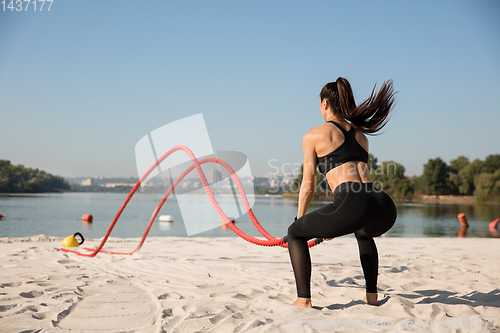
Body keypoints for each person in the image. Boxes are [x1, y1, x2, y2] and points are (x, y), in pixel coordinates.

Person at [287, 77, 397, 308]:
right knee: (363, 232)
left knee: (295, 233)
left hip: (353, 202)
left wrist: (300, 218)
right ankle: (371, 296)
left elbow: (308, 185)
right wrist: (334, 224)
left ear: (325, 103)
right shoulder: (361, 135)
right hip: (382, 204)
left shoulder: (314, 135)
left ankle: (303, 299)